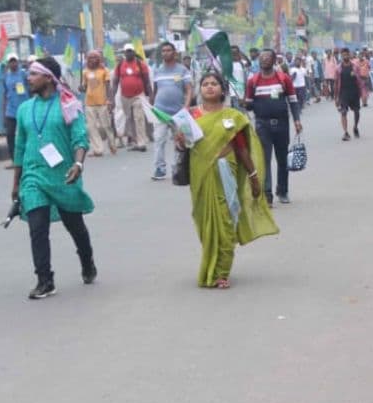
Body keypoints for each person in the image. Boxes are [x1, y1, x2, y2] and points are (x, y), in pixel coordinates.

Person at [176, 70, 278, 289]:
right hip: (200, 174)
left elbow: (242, 150)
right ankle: (211, 262)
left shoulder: (232, 117)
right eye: (205, 84)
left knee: (224, 220)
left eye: (214, 83)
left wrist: (253, 177)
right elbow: (184, 146)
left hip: (226, 171)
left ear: (222, 89)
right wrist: (179, 140)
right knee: (205, 221)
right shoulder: (190, 116)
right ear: (199, 89)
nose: (209, 87)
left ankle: (221, 272)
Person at [10, 57, 96, 300]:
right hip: (33, 177)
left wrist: (78, 164)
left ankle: (87, 261)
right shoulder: (25, 109)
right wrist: (16, 183)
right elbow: (19, 147)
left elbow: (80, 138)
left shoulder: (68, 104)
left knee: (75, 226)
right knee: (37, 229)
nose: (29, 78)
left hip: (63, 175)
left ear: (48, 77)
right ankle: (44, 280)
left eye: (34, 74)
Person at [245, 49, 303, 205]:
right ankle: (267, 193)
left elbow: (293, 101)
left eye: (267, 57)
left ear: (273, 60)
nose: (264, 59)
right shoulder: (253, 81)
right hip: (262, 125)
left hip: (282, 124)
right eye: (261, 57)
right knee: (265, 160)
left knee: (282, 159)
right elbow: (249, 105)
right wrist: (246, 103)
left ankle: (283, 190)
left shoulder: (283, 79)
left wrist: (297, 120)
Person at [151, 42, 193, 181]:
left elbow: (188, 89)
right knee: (159, 140)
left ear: (174, 53)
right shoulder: (157, 70)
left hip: (178, 112)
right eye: (163, 51)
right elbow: (155, 90)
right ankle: (159, 169)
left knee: (180, 141)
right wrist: (152, 107)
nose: (165, 53)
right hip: (160, 111)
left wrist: (186, 106)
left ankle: (178, 168)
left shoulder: (182, 70)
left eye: (168, 50)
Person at [109, 43, 151, 151]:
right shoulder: (120, 65)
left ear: (134, 52)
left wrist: (150, 96)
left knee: (139, 118)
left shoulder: (140, 64)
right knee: (130, 119)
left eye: (130, 51)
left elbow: (147, 81)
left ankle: (142, 142)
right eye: (127, 51)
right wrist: (112, 98)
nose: (128, 53)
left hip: (138, 95)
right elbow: (115, 82)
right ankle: (135, 141)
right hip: (125, 97)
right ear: (124, 53)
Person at [80, 50, 115, 156]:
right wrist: (81, 88)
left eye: (94, 57)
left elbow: (108, 86)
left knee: (106, 125)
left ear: (98, 59)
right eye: (90, 58)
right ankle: (98, 149)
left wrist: (110, 99)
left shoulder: (104, 71)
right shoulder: (85, 72)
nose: (92, 60)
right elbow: (84, 87)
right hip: (89, 103)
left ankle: (112, 144)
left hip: (102, 102)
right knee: (91, 127)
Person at [1, 54, 30, 167]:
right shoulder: (6, 77)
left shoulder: (23, 74)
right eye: (11, 61)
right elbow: (5, 94)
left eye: (15, 61)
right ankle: (14, 160)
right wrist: (3, 112)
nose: (13, 64)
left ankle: (27, 158)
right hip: (11, 110)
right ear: (8, 63)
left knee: (26, 134)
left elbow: (31, 89)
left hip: (24, 109)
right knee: (10, 135)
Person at [334, 47, 362, 142]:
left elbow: (360, 79)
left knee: (357, 112)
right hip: (343, 93)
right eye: (343, 55)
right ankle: (346, 133)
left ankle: (355, 127)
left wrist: (356, 75)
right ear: (341, 56)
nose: (345, 56)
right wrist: (336, 97)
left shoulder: (355, 67)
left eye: (347, 54)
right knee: (343, 112)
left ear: (349, 55)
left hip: (354, 92)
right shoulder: (338, 68)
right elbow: (336, 83)